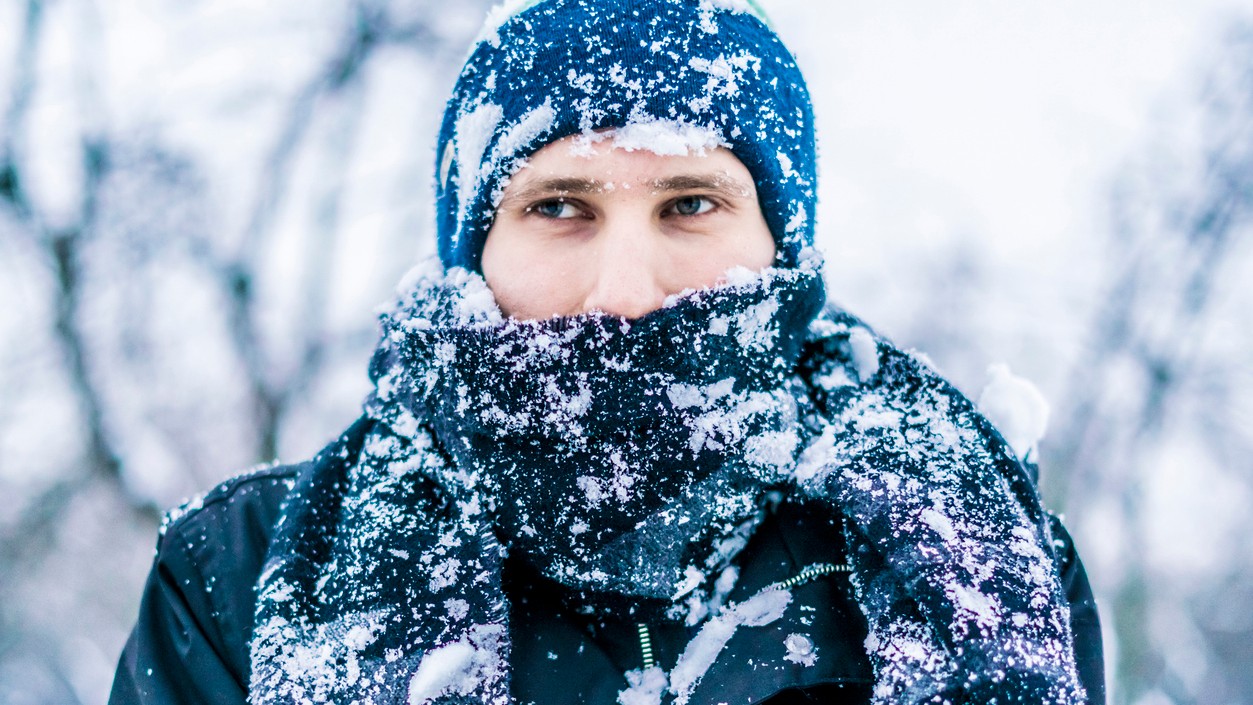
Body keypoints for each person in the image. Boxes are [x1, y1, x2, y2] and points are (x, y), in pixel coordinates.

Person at [109, 1, 1104, 704]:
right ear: (475, 249)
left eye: (691, 204)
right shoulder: (242, 574)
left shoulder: (969, 552)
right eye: (557, 207)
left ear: (780, 247)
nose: (625, 293)